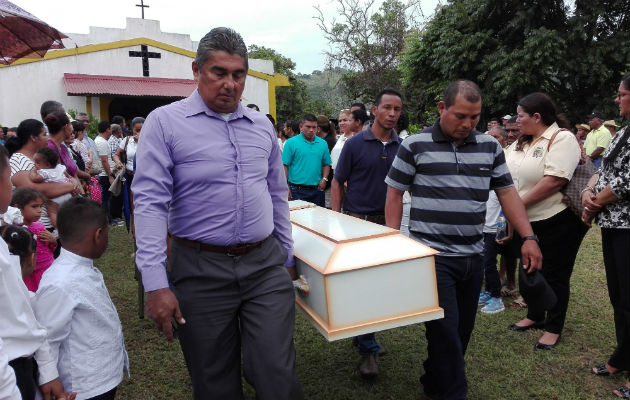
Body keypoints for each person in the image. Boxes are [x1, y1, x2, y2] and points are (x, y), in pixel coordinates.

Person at [132, 27, 303, 399]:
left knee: (276, 372)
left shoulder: (261, 127)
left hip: (264, 266)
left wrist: (286, 255)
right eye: (219, 73)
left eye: (238, 74)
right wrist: (156, 281)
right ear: (197, 70)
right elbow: (149, 203)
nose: (229, 84)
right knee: (214, 380)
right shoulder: (164, 123)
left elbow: (276, 194)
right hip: (199, 269)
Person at [384, 80, 542, 400]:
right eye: (461, 116)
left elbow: (508, 194)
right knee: (445, 333)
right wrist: (394, 241)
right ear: (442, 108)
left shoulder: (489, 146)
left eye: (475, 117)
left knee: (460, 333)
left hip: (473, 256)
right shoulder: (415, 144)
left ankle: (433, 377)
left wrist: (528, 236)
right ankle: (454, 392)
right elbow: (394, 193)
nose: (468, 124)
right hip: (433, 257)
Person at [505, 92, 588, 350]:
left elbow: (555, 180)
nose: (516, 121)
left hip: (557, 219)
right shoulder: (521, 142)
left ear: (537, 116)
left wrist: (516, 205)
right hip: (526, 220)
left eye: (520, 116)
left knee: (555, 274)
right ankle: (534, 314)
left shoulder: (561, 138)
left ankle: (553, 327)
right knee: (529, 269)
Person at [331, 88, 403, 378]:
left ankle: (364, 333)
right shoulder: (355, 143)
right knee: (362, 285)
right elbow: (338, 182)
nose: (392, 114)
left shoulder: (403, 147)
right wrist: (336, 221)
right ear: (375, 110)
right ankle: (368, 349)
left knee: (380, 285)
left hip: (387, 226)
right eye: (387, 107)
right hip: (356, 223)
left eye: (397, 109)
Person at [33, 198, 129, 400]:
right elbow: (46, 337)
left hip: (100, 378)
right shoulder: (61, 282)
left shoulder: (82, 268)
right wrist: (50, 378)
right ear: (98, 235)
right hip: (83, 388)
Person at [0, 145, 74, 400]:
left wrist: (46, 368)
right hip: (10, 373)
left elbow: (22, 304)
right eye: (9, 176)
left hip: (23, 362)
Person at [582, 73, 630, 399]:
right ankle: (622, 357)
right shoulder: (623, 131)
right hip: (613, 224)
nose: (617, 100)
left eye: (621, 94)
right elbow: (604, 168)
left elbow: (627, 181)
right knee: (620, 298)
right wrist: (588, 188)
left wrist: (593, 204)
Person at [6, 119, 75, 231]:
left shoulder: (41, 158)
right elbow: (37, 190)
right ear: (33, 137)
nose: (47, 138)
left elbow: (60, 175)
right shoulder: (18, 160)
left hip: (53, 221)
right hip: (37, 226)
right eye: (44, 134)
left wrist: (70, 182)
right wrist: (71, 186)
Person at [478, 126, 508, 314]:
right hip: (482, 226)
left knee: (489, 263)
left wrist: (502, 229)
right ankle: (489, 291)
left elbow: (506, 205)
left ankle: (497, 297)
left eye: (497, 136)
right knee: (484, 263)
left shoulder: (504, 164)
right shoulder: (485, 162)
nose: (493, 140)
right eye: (490, 137)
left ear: (504, 139)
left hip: (493, 229)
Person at [11, 188, 57, 291]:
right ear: (18, 208)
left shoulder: (40, 226)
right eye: (34, 206)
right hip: (29, 276)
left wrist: (53, 241)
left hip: (48, 269)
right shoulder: (15, 231)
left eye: (40, 206)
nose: (39, 210)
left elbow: (49, 249)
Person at [282, 114, 332, 208]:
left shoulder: (322, 143)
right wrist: (285, 186)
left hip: (317, 190)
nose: (311, 130)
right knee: (299, 220)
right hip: (296, 190)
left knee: (319, 220)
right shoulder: (291, 143)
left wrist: (324, 179)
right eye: (308, 127)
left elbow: (326, 164)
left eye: (314, 127)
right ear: (301, 127)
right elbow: (285, 165)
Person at [94, 121, 115, 221]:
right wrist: (110, 176)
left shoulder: (101, 140)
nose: (111, 131)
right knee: (106, 198)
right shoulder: (101, 142)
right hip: (104, 175)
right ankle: (107, 219)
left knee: (107, 198)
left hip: (105, 174)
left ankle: (109, 218)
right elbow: (104, 160)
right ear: (107, 129)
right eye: (110, 128)